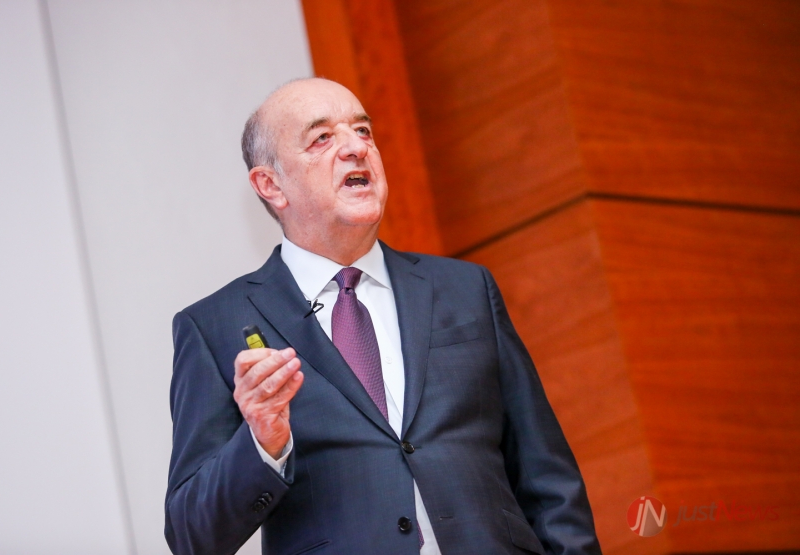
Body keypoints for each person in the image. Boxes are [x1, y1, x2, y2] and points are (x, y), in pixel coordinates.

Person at [165, 78, 601, 555]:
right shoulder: (214, 326)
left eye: (363, 131)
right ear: (271, 185)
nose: (357, 148)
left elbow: (548, 476)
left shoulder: (465, 288)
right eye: (322, 138)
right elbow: (192, 537)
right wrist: (261, 441)